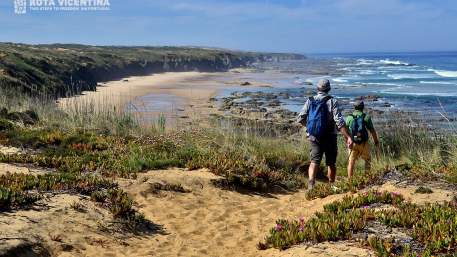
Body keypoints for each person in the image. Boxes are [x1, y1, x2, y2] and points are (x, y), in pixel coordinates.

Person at [297, 79, 353, 190]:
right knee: (331, 163)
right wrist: (348, 136)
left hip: (314, 137)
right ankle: (331, 186)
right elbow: (339, 121)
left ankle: (311, 184)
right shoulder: (332, 101)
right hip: (330, 136)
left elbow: (300, 118)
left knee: (314, 162)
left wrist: (310, 128)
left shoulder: (310, 100)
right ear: (329, 89)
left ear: (317, 88)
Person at [345, 100, 379, 179]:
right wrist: (376, 141)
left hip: (353, 143)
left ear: (354, 107)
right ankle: (367, 178)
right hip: (364, 143)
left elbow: (345, 131)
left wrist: (347, 141)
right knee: (367, 160)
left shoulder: (349, 117)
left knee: (351, 162)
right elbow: (372, 131)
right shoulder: (366, 117)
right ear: (363, 107)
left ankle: (350, 181)